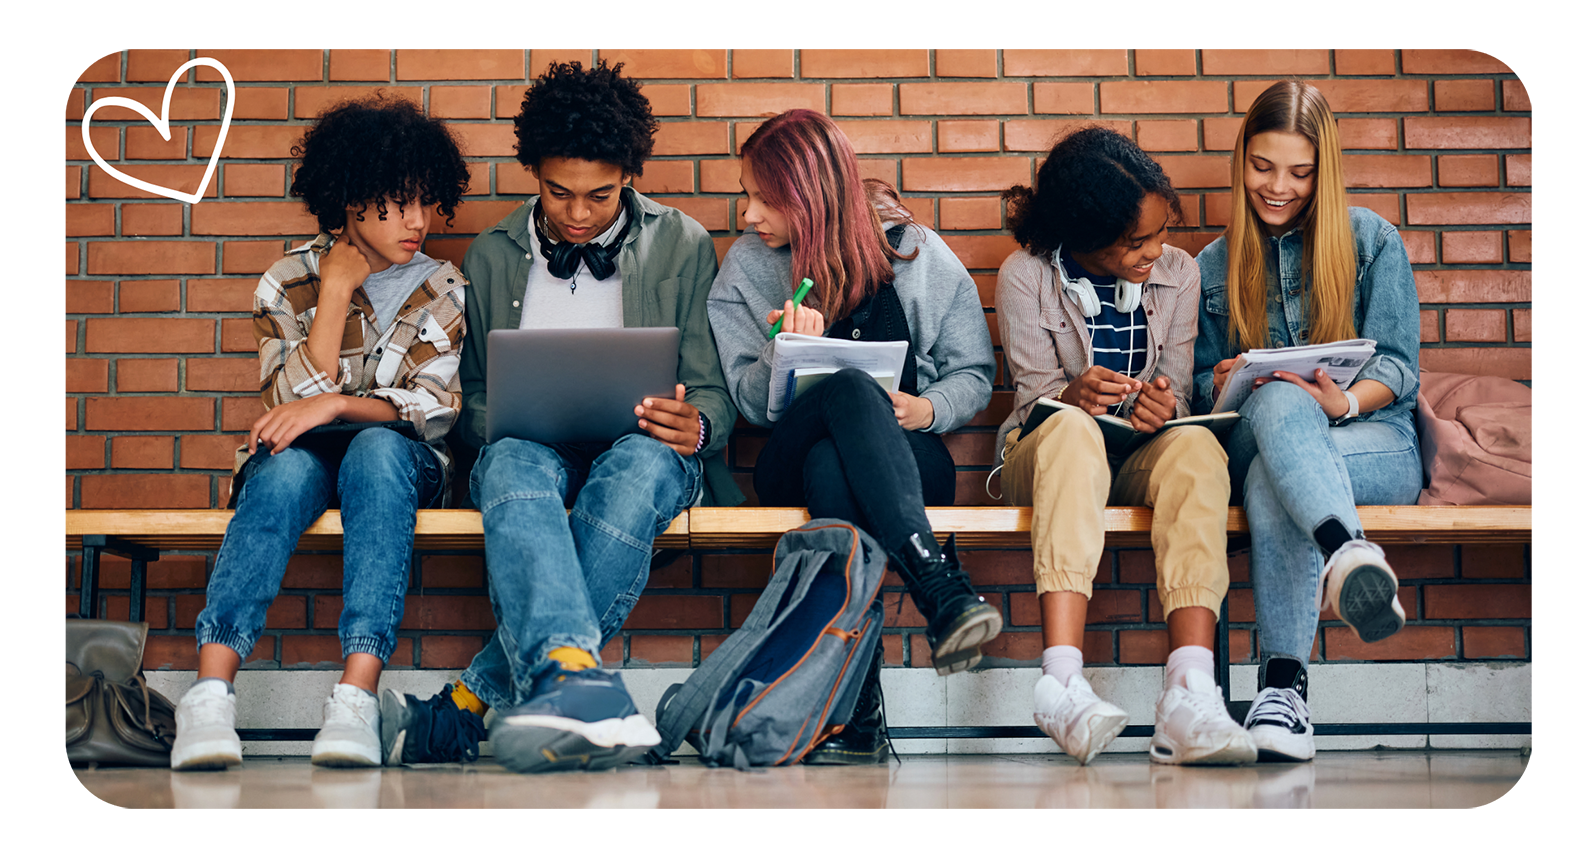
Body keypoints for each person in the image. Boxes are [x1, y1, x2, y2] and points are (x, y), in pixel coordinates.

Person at [378, 60, 740, 774]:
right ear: (531, 174)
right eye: (557, 192)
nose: (576, 213)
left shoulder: (682, 243)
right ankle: (573, 688)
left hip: (644, 450)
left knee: (636, 466)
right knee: (507, 458)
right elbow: (470, 398)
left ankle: (476, 702)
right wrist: (505, 414)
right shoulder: (491, 254)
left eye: (599, 196)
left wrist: (693, 426)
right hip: (531, 448)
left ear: (630, 176)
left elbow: (712, 392)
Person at [170, 96, 471, 770]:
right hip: (302, 456)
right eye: (396, 203)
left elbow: (431, 409)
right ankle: (210, 694)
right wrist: (334, 291)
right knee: (278, 468)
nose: (417, 222)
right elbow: (284, 410)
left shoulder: (445, 285)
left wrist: (334, 404)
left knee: (375, 448)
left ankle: (355, 698)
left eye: (426, 203)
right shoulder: (288, 281)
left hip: (400, 459)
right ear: (349, 199)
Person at [707, 109, 998, 764]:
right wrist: (780, 351)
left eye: (763, 197)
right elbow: (748, 404)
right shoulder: (748, 269)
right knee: (843, 388)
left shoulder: (912, 251)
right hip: (786, 455)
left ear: (806, 194)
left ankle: (858, 706)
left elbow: (974, 373)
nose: (748, 214)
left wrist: (924, 410)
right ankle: (938, 585)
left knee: (837, 468)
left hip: (904, 456)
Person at [995, 126, 1254, 766]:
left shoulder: (1179, 275)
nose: (1154, 251)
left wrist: (1166, 404)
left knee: (1197, 452)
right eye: (1135, 242)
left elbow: (1182, 393)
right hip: (1046, 451)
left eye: (1161, 232)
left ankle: (1189, 691)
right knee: (1074, 430)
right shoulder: (1026, 277)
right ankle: (1060, 680)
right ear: (1087, 235)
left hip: (1136, 452)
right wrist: (1073, 395)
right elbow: (1031, 405)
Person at [1193, 81, 1422, 763]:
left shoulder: (1371, 239)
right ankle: (1346, 550)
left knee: (1274, 476)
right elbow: (1194, 405)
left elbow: (1399, 368)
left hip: (1371, 442)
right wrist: (1216, 382)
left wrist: (1343, 402)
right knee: (1275, 397)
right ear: (1241, 161)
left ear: (1323, 170)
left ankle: (1282, 693)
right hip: (1256, 435)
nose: (1278, 186)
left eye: (1299, 171)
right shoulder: (1211, 264)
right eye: (1262, 166)